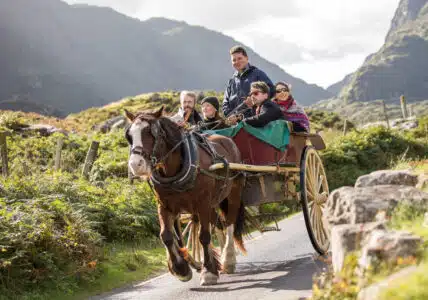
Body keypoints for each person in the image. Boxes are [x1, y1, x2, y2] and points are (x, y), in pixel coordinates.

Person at [223, 46, 275, 118]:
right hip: (236, 125)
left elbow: (272, 90)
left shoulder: (258, 74)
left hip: (256, 121)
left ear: (247, 58)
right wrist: (231, 116)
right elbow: (225, 104)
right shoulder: (231, 81)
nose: (237, 62)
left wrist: (256, 99)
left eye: (239, 58)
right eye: (234, 60)